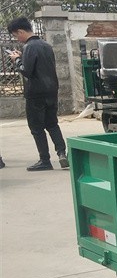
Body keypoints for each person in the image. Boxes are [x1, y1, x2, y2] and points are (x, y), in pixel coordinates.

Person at [6, 17, 68, 171]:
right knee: (52, 123)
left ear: (21, 31)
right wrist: (22, 56)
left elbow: (26, 71)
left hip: (35, 93)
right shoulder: (46, 45)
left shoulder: (29, 47)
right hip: (51, 90)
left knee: (36, 127)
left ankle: (44, 160)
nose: (17, 39)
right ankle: (62, 153)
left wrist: (17, 59)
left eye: (16, 35)